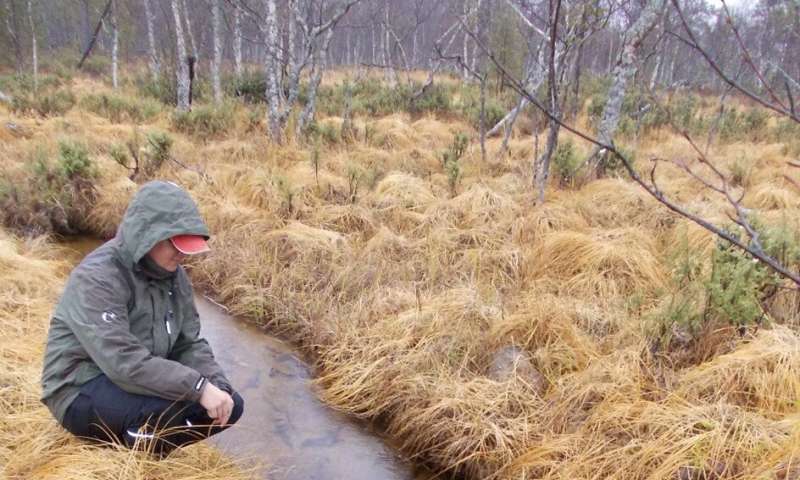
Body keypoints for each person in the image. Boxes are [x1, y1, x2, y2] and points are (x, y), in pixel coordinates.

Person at [41, 180, 244, 456]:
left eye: (187, 247)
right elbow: (123, 363)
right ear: (148, 235)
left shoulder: (175, 277)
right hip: (80, 385)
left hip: (135, 375)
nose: (183, 255)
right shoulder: (99, 278)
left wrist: (215, 384)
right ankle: (137, 449)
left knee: (231, 404)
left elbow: (188, 344)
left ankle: (146, 441)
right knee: (160, 415)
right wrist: (197, 387)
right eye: (176, 245)